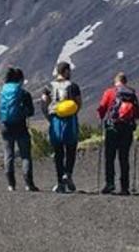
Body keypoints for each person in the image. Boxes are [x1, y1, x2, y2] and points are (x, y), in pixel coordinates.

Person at [96, 72, 139, 196]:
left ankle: (110, 183)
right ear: (125, 81)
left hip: (112, 128)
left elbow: (102, 109)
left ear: (115, 81)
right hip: (127, 129)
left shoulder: (110, 92)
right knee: (124, 157)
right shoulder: (131, 93)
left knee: (110, 157)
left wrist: (101, 117)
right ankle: (124, 187)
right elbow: (138, 113)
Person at [41, 61, 82, 193]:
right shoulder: (73, 86)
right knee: (71, 149)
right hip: (70, 120)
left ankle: (60, 182)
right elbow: (79, 102)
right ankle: (68, 174)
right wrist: (74, 113)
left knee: (58, 152)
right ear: (66, 71)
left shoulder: (48, 87)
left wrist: (49, 117)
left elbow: (43, 103)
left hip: (55, 120)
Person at [0, 67, 38, 191]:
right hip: (21, 127)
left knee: (8, 154)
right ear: (20, 79)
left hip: (5, 127)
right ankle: (28, 184)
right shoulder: (24, 93)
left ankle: (11, 184)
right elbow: (31, 112)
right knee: (25, 155)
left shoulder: (3, 92)